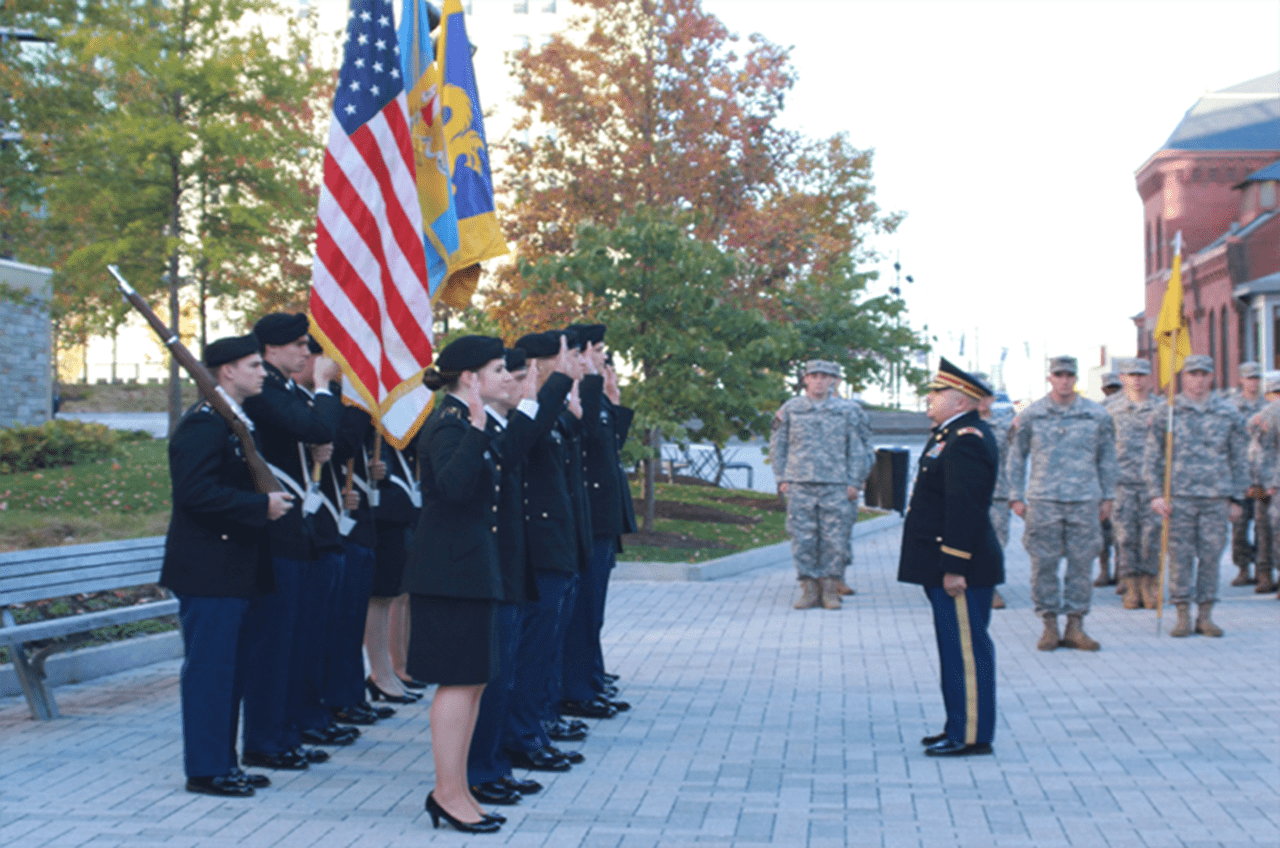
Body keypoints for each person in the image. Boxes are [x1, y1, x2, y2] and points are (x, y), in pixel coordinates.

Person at [160, 334, 293, 796]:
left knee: (231, 671)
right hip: (208, 569)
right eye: (255, 365)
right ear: (227, 372)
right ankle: (205, 768)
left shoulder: (234, 422)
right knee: (210, 672)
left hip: (233, 567)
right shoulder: (204, 425)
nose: (263, 372)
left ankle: (224, 761)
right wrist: (260, 507)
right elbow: (193, 494)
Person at [240, 313, 342, 771]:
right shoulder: (265, 392)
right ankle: (265, 739)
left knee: (294, 640)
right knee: (274, 644)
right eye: (299, 345)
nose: (307, 352)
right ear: (272, 349)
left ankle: (284, 731)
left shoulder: (280, 390)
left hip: (295, 528)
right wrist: (323, 387)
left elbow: (315, 432)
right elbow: (318, 426)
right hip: (274, 532)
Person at [898, 358, 1002, 758]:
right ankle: (958, 724)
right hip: (946, 564)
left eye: (938, 393)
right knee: (955, 651)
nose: (930, 398)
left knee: (966, 654)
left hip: (962, 568)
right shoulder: (950, 433)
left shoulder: (968, 438)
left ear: (960, 401)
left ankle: (971, 736)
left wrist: (954, 565)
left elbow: (965, 509)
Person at [1007, 355, 1117, 652]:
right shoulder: (1032, 415)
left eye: (1069, 375)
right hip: (1044, 502)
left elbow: (1107, 457)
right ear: (1050, 378)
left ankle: (1076, 625)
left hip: (1085, 500)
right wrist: (1015, 495)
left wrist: (1108, 496)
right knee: (1044, 564)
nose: (1064, 381)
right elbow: (1016, 457)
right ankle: (1049, 625)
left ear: (1076, 378)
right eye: (1059, 375)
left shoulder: (1096, 415)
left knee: (1081, 565)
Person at [560, 324, 636, 718]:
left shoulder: (593, 392)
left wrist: (613, 399)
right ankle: (577, 688)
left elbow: (610, 448)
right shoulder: (574, 393)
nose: (604, 359)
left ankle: (589, 677)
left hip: (603, 515)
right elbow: (587, 437)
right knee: (584, 610)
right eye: (598, 352)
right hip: (588, 516)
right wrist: (590, 382)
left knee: (593, 611)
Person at [1144, 355, 1249, 637]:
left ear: (1212, 377)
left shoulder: (1228, 413)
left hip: (1216, 498)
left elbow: (1239, 458)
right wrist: (1155, 495)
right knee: (1180, 557)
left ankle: (1205, 615)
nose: (1198, 380)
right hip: (1178, 498)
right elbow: (1153, 458)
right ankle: (1181, 614)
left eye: (1204, 374)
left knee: (1211, 557)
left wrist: (1237, 498)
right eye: (1193, 374)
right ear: (1183, 377)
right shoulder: (1168, 412)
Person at [769, 359, 875, 610]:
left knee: (834, 539)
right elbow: (778, 444)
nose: (819, 380)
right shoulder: (791, 409)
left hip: (836, 484)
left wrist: (855, 480)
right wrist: (782, 477)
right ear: (805, 379)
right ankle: (808, 588)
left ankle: (829, 589)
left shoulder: (848, 411)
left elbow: (858, 448)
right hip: (800, 483)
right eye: (814, 376)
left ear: (834, 381)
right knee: (802, 538)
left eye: (825, 376)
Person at [1105, 358, 1162, 609]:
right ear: (1123, 378)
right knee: (1126, 537)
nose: (1136, 379)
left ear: (1149, 377)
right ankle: (1131, 586)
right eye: (1131, 375)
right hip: (1122, 484)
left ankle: (1150, 585)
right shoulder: (1108, 410)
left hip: (1154, 487)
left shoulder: (1163, 409)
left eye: (1141, 374)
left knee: (1152, 537)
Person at [1225, 362, 1265, 587]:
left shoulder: (1267, 405)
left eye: (1256, 378)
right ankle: (1242, 568)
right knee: (1239, 526)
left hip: (1261, 475)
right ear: (1241, 380)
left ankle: (1262, 568)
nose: (1253, 382)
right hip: (1239, 476)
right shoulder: (1230, 407)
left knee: (1262, 526)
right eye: (1249, 378)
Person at [973, 372, 1011, 610]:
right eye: (977, 395)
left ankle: (989, 586)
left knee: (996, 542)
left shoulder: (1006, 425)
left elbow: (1017, 458)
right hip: (964, 494)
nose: (983, 401)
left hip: (997, 492)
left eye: (987, 395)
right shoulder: (956, 423)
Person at [1248, 371, 1280, 597]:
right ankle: (1265, 576)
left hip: (1270, 479)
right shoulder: (1264, 416)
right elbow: (1257, 451)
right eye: (1275, 392)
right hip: (1269, 481)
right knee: (1264, 530)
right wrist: (1260, 482)